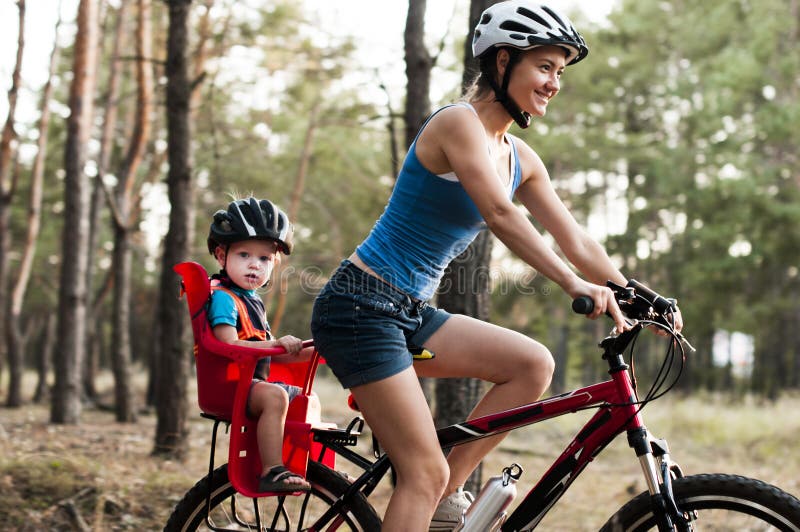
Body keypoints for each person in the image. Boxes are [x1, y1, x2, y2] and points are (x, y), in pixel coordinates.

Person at [311, 1, 684, 530]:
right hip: (359, 307)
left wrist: (638, 294)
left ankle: (446, 495)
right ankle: (432, 486)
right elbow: (500, 214)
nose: (555, 82)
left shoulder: (521, 157)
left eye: (560, 71)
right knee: (419, 472)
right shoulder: (457, 123)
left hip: (410, 311)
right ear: (503, 62)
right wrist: (573, 284)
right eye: (545, 67)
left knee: (532, 365)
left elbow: (575, 238)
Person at [206, 197, 314, 493]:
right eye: (243, 254)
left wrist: (313, 348)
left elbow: (270, 354)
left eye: (264, 259)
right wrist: (276, 343)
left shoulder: (252, 301)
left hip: (252, 384)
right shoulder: (224, 298)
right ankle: (272, 469)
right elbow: (229, 343)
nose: (254, 264)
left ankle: (314, 470)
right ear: (220, 255)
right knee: (275, 397)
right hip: (233, 385)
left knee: (308, 400)